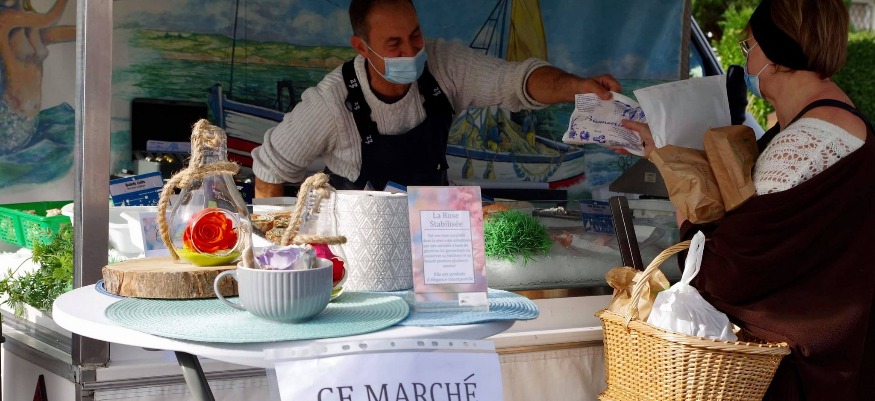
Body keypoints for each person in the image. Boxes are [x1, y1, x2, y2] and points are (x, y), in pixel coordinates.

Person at [622, 0, 874, 399]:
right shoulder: (839, 121)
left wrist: (677, 186)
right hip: (845, 362)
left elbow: (727, 273)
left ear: (773, 52)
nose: (747, 58)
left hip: (800, 370)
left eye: (749, 45)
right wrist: (664, 153)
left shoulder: (802, 146)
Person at [252, 0, 620, 196]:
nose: (411, 50)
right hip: (356, 252)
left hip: (434, 238)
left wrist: (575, 86)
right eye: (393, 44)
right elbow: (270, 169)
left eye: (415, 35)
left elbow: (515, 81)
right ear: (361, 47)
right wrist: (274, 257)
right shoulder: (331, 103)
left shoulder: (444, 65)